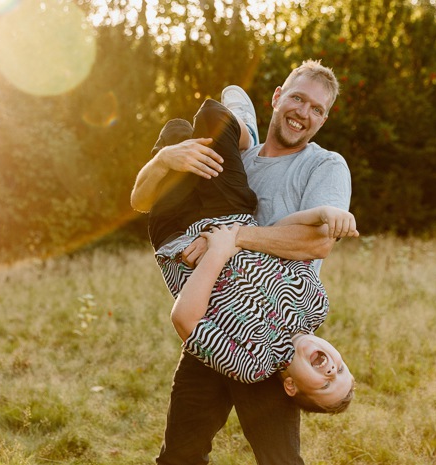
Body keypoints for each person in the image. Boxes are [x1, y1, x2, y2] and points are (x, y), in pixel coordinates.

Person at [131, 60, 352, 465]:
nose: (305, 112)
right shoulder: (239, 161)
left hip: (260, 342)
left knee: (279, 458)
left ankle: (241, 123)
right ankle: (242, 125)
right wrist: (163, 160)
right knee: (180, 454)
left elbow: (315, 245)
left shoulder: (324, 165)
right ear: (278, 97)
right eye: (298, 98)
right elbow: (141, 202)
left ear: (324, 118)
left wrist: (227, 241)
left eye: (318, 109)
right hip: (214, 323)